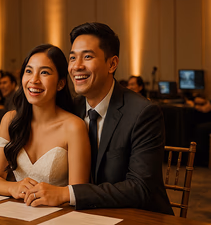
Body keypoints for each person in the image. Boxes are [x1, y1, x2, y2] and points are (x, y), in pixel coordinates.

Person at [24, 23, 173, 215]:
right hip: (82, 215)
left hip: (137, 217)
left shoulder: (143, 113)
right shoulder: (69, 110)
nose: (77, 66)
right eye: (72, 58)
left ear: (112, 64)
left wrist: (67, 194)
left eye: (87, 57)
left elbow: (140, 188)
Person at [0, 44, 90, 199]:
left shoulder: (73, 127)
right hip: (19, 212)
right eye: (29, 71)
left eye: (44, 73)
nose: (34, 80)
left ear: (60, 84)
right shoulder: (10, 120)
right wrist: (13, 187)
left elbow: (78, 192)